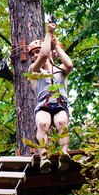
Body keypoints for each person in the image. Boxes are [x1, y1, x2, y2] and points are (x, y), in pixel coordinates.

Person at [27, 23, 73, 173]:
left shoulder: (60, 71)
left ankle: (64, 154)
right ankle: (44, 158)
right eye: (32, 54)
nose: (34, 56)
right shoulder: (33, 70)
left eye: (36, 52)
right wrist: (48, 33)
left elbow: (70, 65)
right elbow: (43, 56)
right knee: (43, 125)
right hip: (43, 104)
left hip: (60, 103)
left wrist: (56, 47)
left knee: (61, 122)